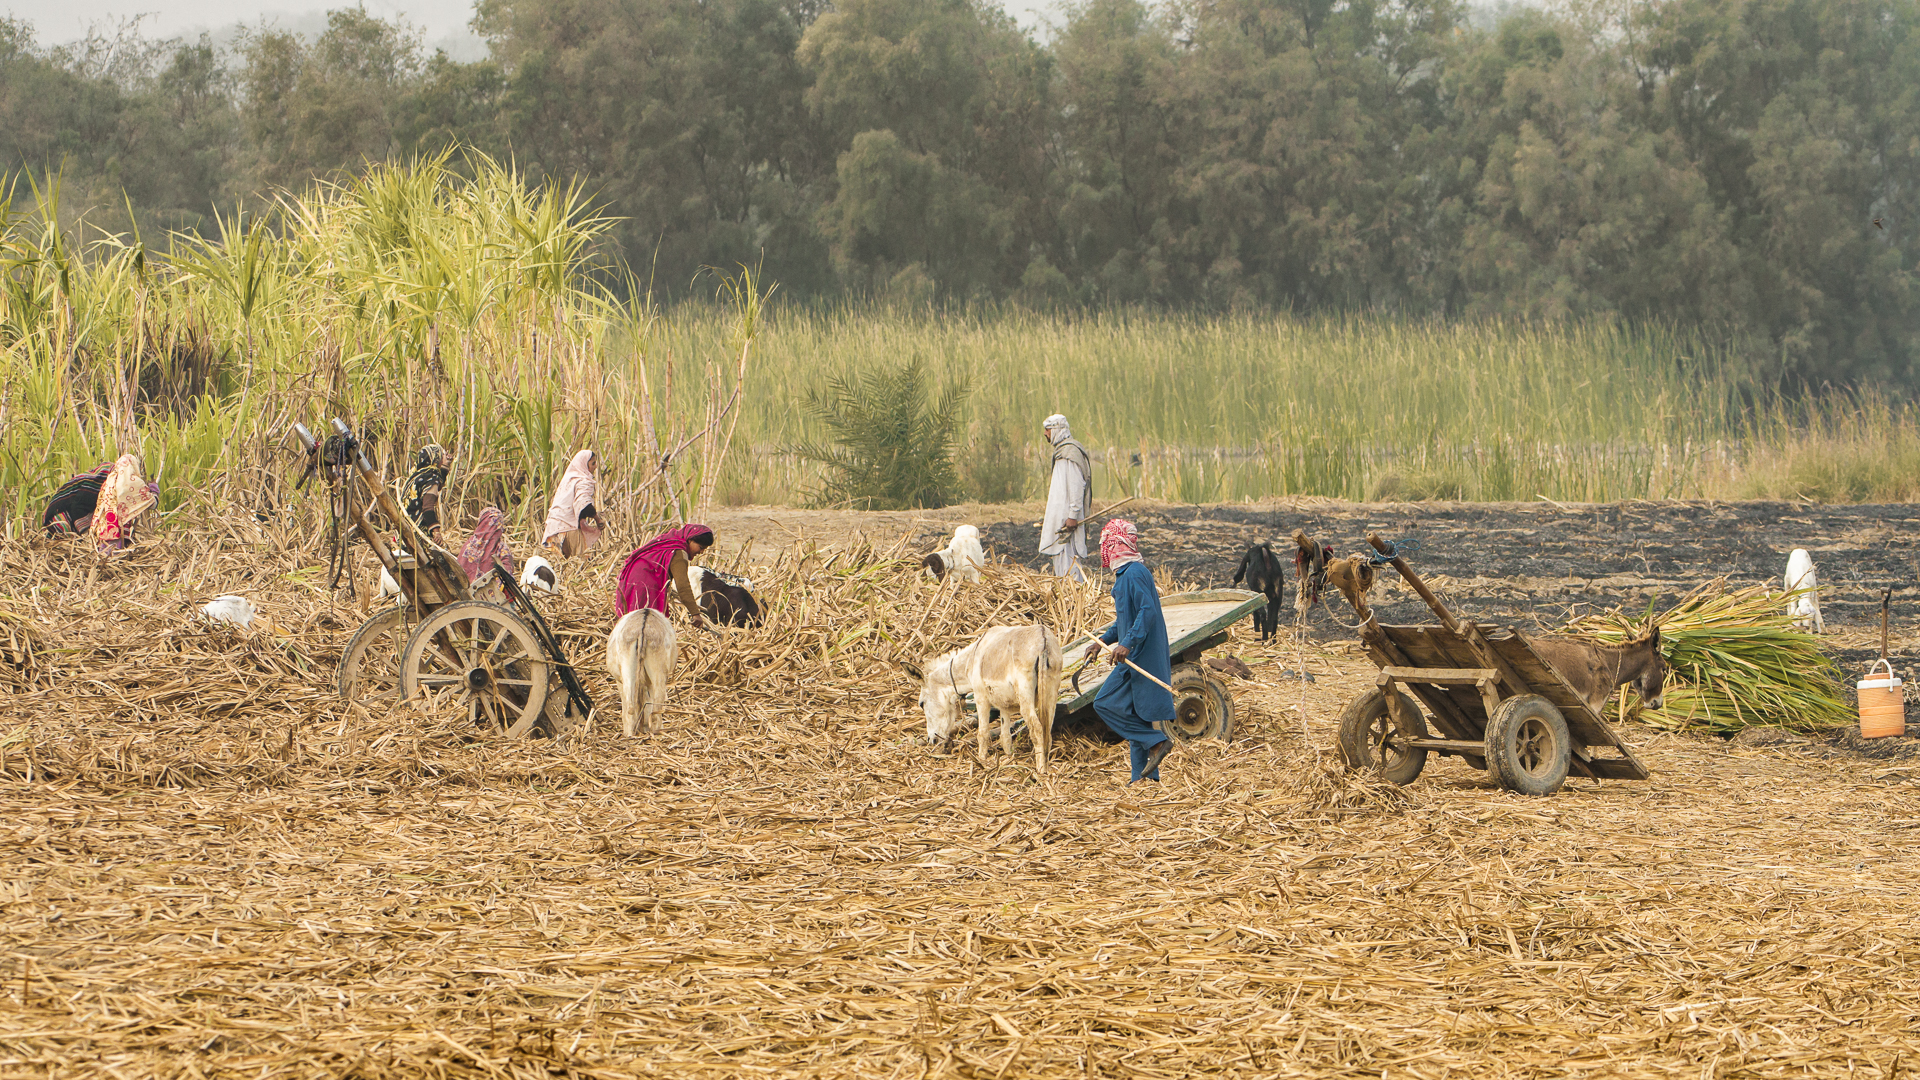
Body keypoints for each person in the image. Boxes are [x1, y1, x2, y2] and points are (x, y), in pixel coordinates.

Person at [1084, 519, 1175, 784]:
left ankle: (1157, 744)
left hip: (1140, 656)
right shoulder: (1126, 575)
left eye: (1108, 545)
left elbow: (1147, 612)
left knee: (1104, 703)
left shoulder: (1134, 573)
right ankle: (1144, 781)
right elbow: (1125, 619)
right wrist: (1102, 641)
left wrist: (1127, 644)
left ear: (1118, 545)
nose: (1106, 552)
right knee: (1137, 715)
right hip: (1133, 653)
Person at [616, 523, 712, 631]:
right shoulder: (679, 553)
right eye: (701, 547)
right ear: (690, 540)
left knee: (631, 620)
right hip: (646, 583)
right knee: (648, 625)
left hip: (632, 577)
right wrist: (695, 614)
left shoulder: (670, 541)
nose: (701, 552)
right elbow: (683, 586)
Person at [1039, 414, 1090, 581]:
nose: (1046, 434)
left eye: (1048, 430)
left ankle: (1075, 600)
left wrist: (1072, 516)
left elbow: (1077, 487)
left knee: (1070, 564)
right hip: (1061, 518)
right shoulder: (1062, 452)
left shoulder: (1070, 453)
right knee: (1061, 566)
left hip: (1067, 521)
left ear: (1056, 430)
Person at [90, 453, 161, 554]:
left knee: (105, 554)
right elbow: (153, 504)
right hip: (120, 527)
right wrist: (154, 490)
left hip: (105, 526)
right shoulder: (133, 482)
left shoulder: (109, 481)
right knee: (115, 554)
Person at [541, 449, 603, 560]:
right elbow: (583, 505)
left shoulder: (567, 480)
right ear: (584, 464)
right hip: (569, 528)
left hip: (553, 528)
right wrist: (597, 519)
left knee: (559, 568)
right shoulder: (582, 480)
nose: (596, 466)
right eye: (593, 463)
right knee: (580, 565)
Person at [43, 461, 115, 537]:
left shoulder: (96, 483)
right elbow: (77, 508)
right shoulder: (92, 485)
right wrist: (87, 535)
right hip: (58, 517)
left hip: (69, 513)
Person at [404, 443, 452, 544]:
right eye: (441, 455)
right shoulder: (431, 477)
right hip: (417, 532)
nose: (444, 456)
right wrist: (436, 532)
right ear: (436, 459)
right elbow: (428, 507)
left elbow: (437, 483)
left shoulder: (418, 474)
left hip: (404, 528)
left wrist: (445, 465)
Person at [456, 506, 518, 585]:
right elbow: (508, 578)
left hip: (464, 592)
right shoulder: (502, 549)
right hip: (489, 594)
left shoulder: (469, 545)